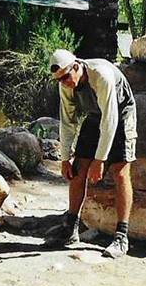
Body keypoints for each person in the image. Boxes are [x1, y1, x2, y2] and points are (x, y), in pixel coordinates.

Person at [45, 48, 137, 259]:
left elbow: (110, 120)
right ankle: (70, 228)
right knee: (77, 170)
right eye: (59, 80)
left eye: (67, 77)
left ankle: (121, 236)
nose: (65, 82)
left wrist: (100, 159)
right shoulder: (66, 85)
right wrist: (65, 159)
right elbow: (68, 123)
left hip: (121, 116)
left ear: (76, 67)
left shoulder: (101, 75)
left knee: (121, 172)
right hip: (95, 116)